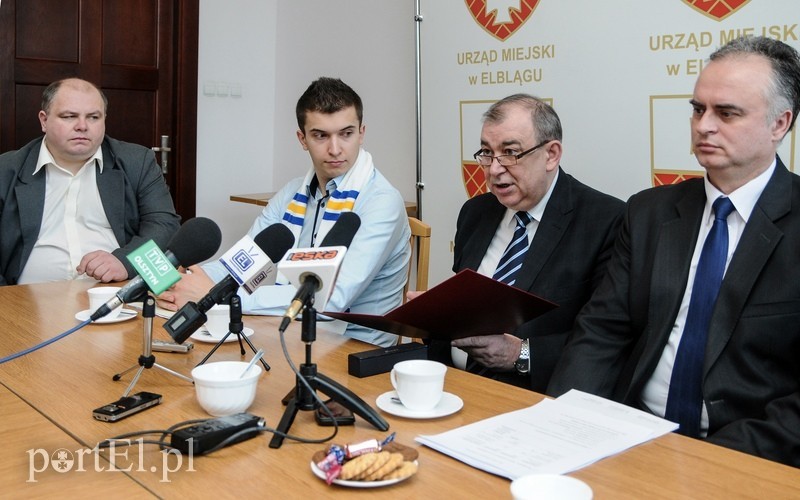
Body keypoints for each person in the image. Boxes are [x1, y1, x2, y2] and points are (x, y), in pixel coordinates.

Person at [548, 36, 800, 467]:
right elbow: (602, 332)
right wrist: (560, 424)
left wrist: (707, 465)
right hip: (631, 437)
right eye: (698, 109)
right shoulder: (649, 212)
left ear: (780, 124)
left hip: (747, 457)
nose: (703, 125)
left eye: (727, 113)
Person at [158, 77, 410, 347]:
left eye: (346, 134)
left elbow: (331, 298)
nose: (335, 149)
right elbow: (242, 264)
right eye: (320, 135)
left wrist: (217, 295)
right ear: (302, 138)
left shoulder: (382, 202)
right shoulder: (292, 193)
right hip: (294, 333)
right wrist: (179, 282)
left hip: (356, 349)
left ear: (362, 133)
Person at [423, 94, 624, 393]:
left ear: (551, 154)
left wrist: (521, 355)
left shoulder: (605, 221)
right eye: (487, 153)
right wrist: (431, 313)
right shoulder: (475, 212)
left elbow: (605, 341)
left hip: (532, 399)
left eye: (510, 153)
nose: (494, 170)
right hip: (446, 386)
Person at [0, 78, 180, 285]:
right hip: (27, 298)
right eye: (69, 116)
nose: (82, 126)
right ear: (44, 120)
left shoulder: (136, 162)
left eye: (93, 117)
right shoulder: (6, 169)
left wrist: (125, 262)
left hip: (115, 292)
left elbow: (164, 224)